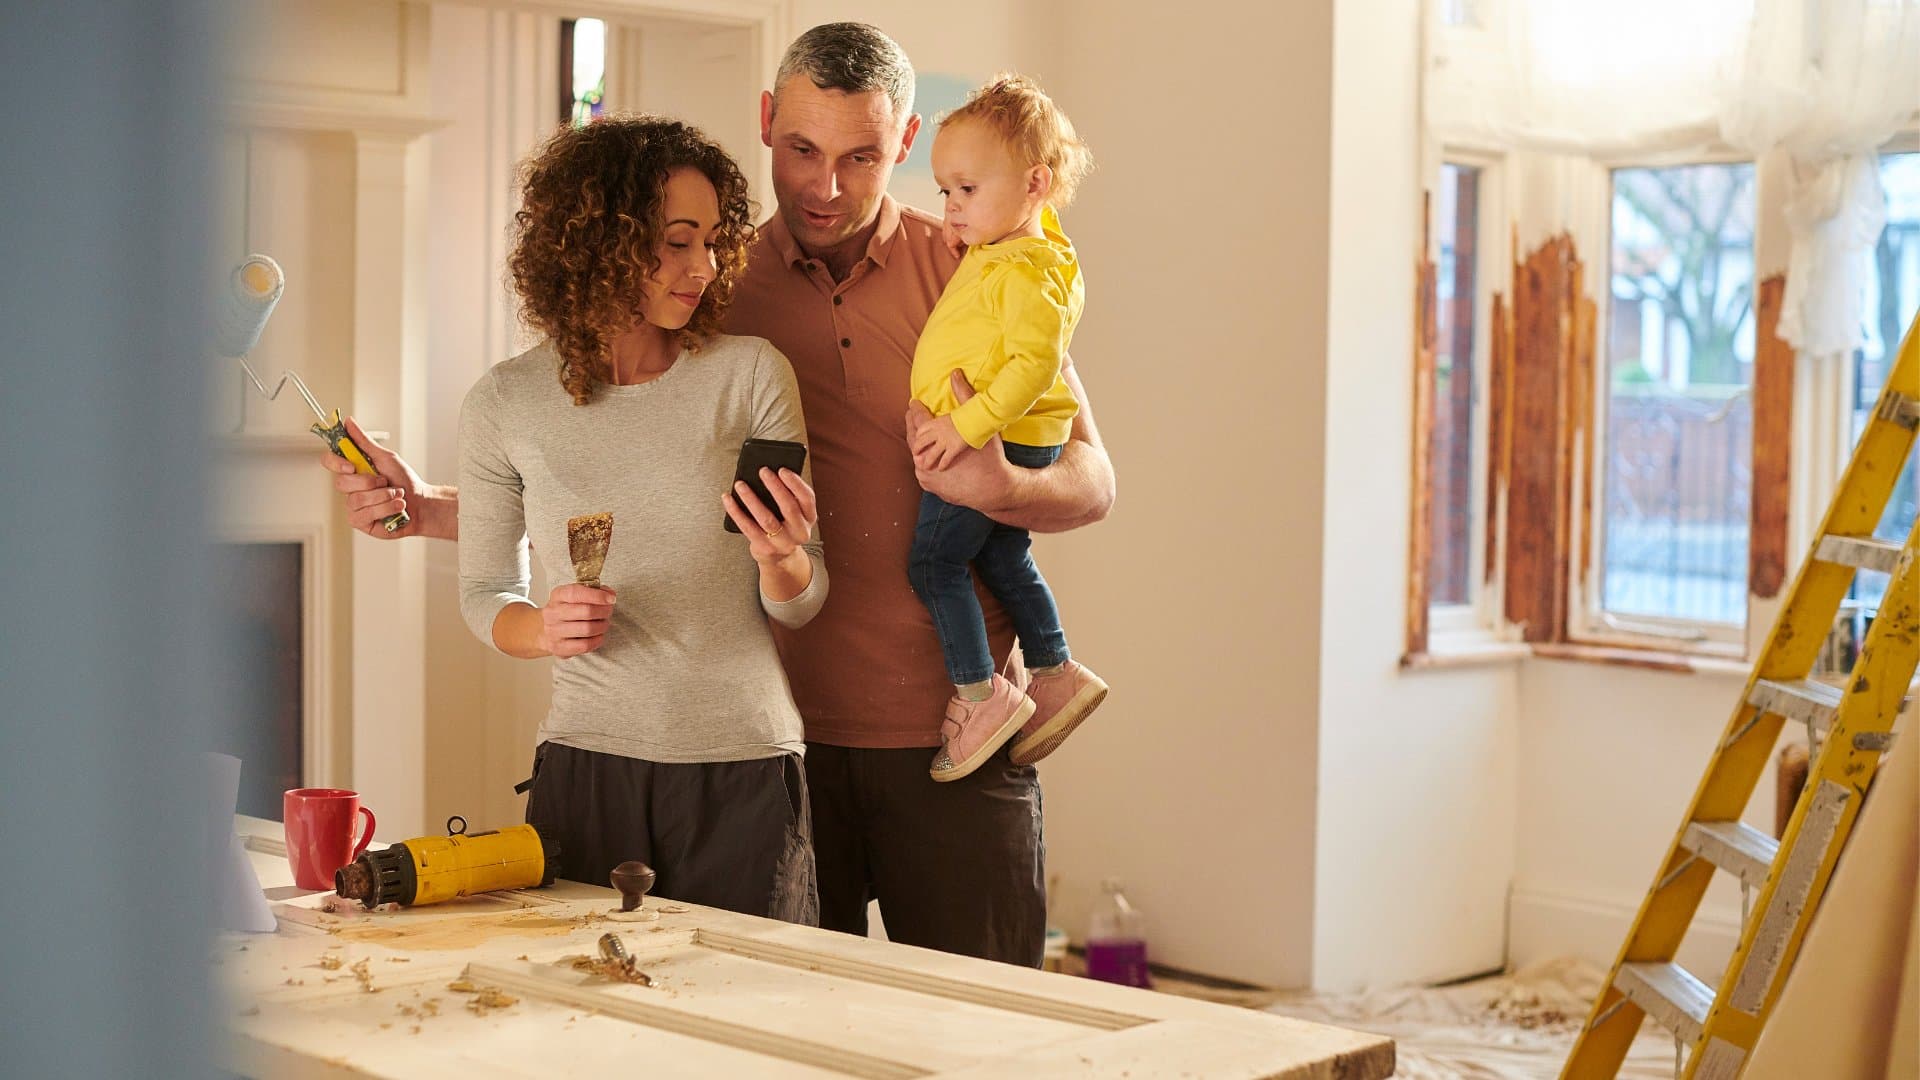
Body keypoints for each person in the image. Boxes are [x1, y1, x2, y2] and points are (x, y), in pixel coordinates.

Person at [322, 23, 1115, 967]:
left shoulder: (974, 262)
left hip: (957, 732)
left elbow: (1090, 480)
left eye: (861, 157)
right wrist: (433, 508)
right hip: (772, 749)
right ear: (768, 122)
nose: (826, 185)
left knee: (989, 1037)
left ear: (902, 144)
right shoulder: (708, 286)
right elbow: (629, 480)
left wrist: (1002, 483)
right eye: (803, 151)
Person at [458, 116, 826, 923]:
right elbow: (485, 592)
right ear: (596, 243)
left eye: (714, 241)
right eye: (676, 242)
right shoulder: (505, 402)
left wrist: (782, 559)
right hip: (586, 767)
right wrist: (545, 629)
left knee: (747, 1024)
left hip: (744, 762)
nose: (706, 267)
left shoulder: (750, 376)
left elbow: (802, 599)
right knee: (583, 1023)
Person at [905, 74, 1107, 783]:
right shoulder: (1012, 249)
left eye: (967, 190)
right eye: (944, 192)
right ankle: (1054, 671)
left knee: (933, 563)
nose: (952, 208)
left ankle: (981, 694)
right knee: (1001, 558)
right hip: (1006, 432)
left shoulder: (1031, 270)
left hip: (1000, 439)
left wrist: (965, 426)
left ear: (1034, 184)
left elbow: (1032, 365)